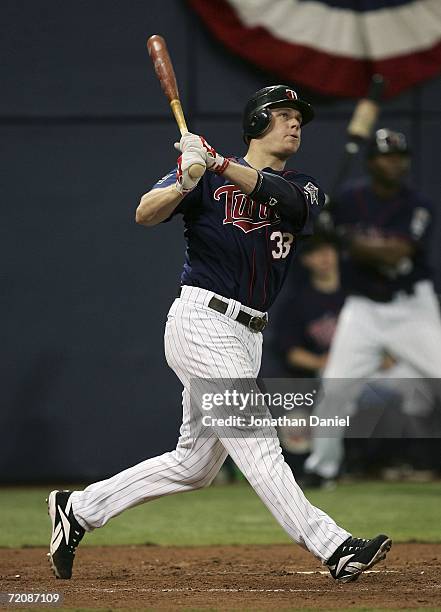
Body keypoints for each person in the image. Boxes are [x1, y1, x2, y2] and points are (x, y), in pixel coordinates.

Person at [47, 86, 391, 583]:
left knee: (194, 466)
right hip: (203, 321)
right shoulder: (205, 178)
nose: (295, 124)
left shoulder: (306, 185)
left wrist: (216, 162)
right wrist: (185, 181)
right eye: (284, 115)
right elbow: (145, 212)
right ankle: (336, 548)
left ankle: (78, 510)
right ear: (256, 122)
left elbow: (289, 201)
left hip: (248, 333)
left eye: (300, 118)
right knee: (256, 438)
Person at [304, 128, 441, 483]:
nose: (394, 163)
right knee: (335, 389)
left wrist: (343, 236)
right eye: (386, 156)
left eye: (400, 157)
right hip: (363, 308)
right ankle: (322, 468)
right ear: (371, 162)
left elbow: (397, 252)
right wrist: (320, 221)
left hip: (412, 307)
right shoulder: (349, 199)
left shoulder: (418, 204)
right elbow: (314, 224)